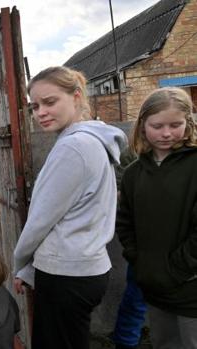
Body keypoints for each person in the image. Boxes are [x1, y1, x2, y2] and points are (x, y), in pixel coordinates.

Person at [12, 66, 127, 349]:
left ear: (76, 97)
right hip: (86, 267)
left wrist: (19, 263)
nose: (40, 112)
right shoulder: (92, 142)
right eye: (35, 106)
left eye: (50, 102)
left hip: (67, 275)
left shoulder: (73, 148)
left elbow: (41, 219)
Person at [116, 87, 197, 349]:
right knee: (164, 342)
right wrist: (140, 262)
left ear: (188, 124)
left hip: (191, 286)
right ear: (142, 126)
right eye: (157, 125)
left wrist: (178, 269)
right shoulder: (132, 173)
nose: (166, 133)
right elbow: (125, 223)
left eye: (176, 125)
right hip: (154, 286)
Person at [113, 149, 147, 349]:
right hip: (143, 249)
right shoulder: (131, 157)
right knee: (135, 302)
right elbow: (121, 211)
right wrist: (134, 250)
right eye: (157, 126)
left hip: (181, 254)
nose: (166, 133)